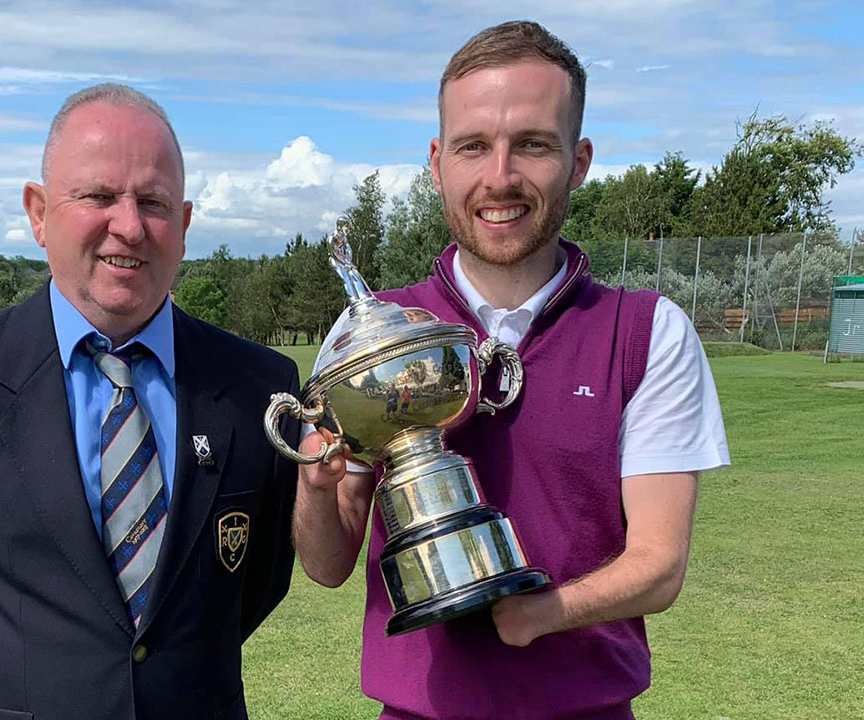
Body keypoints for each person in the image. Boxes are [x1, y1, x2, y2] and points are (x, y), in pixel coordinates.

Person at [293, 21, 730, 720]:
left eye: (531, 144)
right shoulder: (368, 338)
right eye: (473, 146)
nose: (500, 177)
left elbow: (660, 564)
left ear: (578, 160)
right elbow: (326, 565)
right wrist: (317, 490)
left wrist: (541, 613)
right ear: (438, 162)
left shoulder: (647, 333)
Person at [0, 84, 301, 720]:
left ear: (182, 226)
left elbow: (260, 579)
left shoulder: (260, 386)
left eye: (152, 202)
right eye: (98, 195)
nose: (128, 226)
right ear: (39, 212)